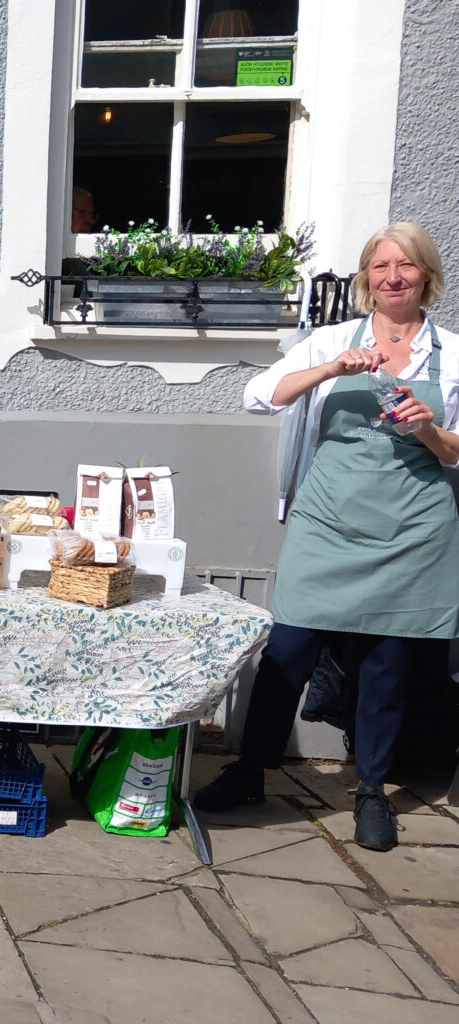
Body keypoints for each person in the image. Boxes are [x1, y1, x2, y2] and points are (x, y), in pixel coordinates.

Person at [194, 222, 459, 852]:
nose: (393, 276)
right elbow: (260, 395)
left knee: (389, 665)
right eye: (380, 265)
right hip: (329, 522)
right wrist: (333, 367)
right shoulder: (332, 340)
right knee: (288, 650)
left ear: (427, 276)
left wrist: (428, 427)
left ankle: (371, 790)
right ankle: (251, 770)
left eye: (406, 266)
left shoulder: (451, 353)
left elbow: (455, 451)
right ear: (367, 277)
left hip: (412, 530)